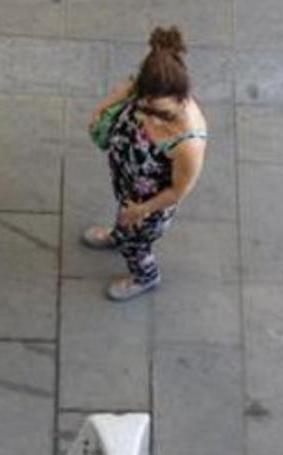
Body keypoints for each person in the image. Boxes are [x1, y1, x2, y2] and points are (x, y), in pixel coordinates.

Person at [82, 26, 208, 302]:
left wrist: (141, 209)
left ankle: (144, 276)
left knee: (136, 242)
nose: (152, 121)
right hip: (129, 181)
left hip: (150, 203)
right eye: (146, 109)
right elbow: (129, 87)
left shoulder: (189, 143)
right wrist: (102, 108)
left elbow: (178, 191)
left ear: (181, 97)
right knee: (123, 215)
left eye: (163, 114)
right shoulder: (150, 85)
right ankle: (118, 232)